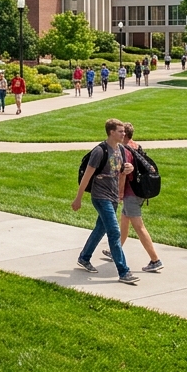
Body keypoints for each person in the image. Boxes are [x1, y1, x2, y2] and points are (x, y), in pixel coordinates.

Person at [73, 119, 140, 285]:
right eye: (120, 131)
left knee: (100, 228)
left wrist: (128, 169)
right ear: (111, 132)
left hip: (113, 196)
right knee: (114, 232)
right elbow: (87, 176)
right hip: (100, 197)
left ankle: (84, 257)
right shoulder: (99, 151)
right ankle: (124, 272)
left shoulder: (122, 150)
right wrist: (78, 198)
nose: (124, 134)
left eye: (124, 131)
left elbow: (122, 170)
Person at [111, 124, 162, 273]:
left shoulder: (124, 150)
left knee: (139, 227)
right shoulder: (136, 146)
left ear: (124, 135)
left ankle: (155, 260)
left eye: (121, 133)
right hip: (140, 191)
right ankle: (116, 250)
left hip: (131, 193)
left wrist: (119, 194)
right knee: (124, 220)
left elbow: (123, 174)